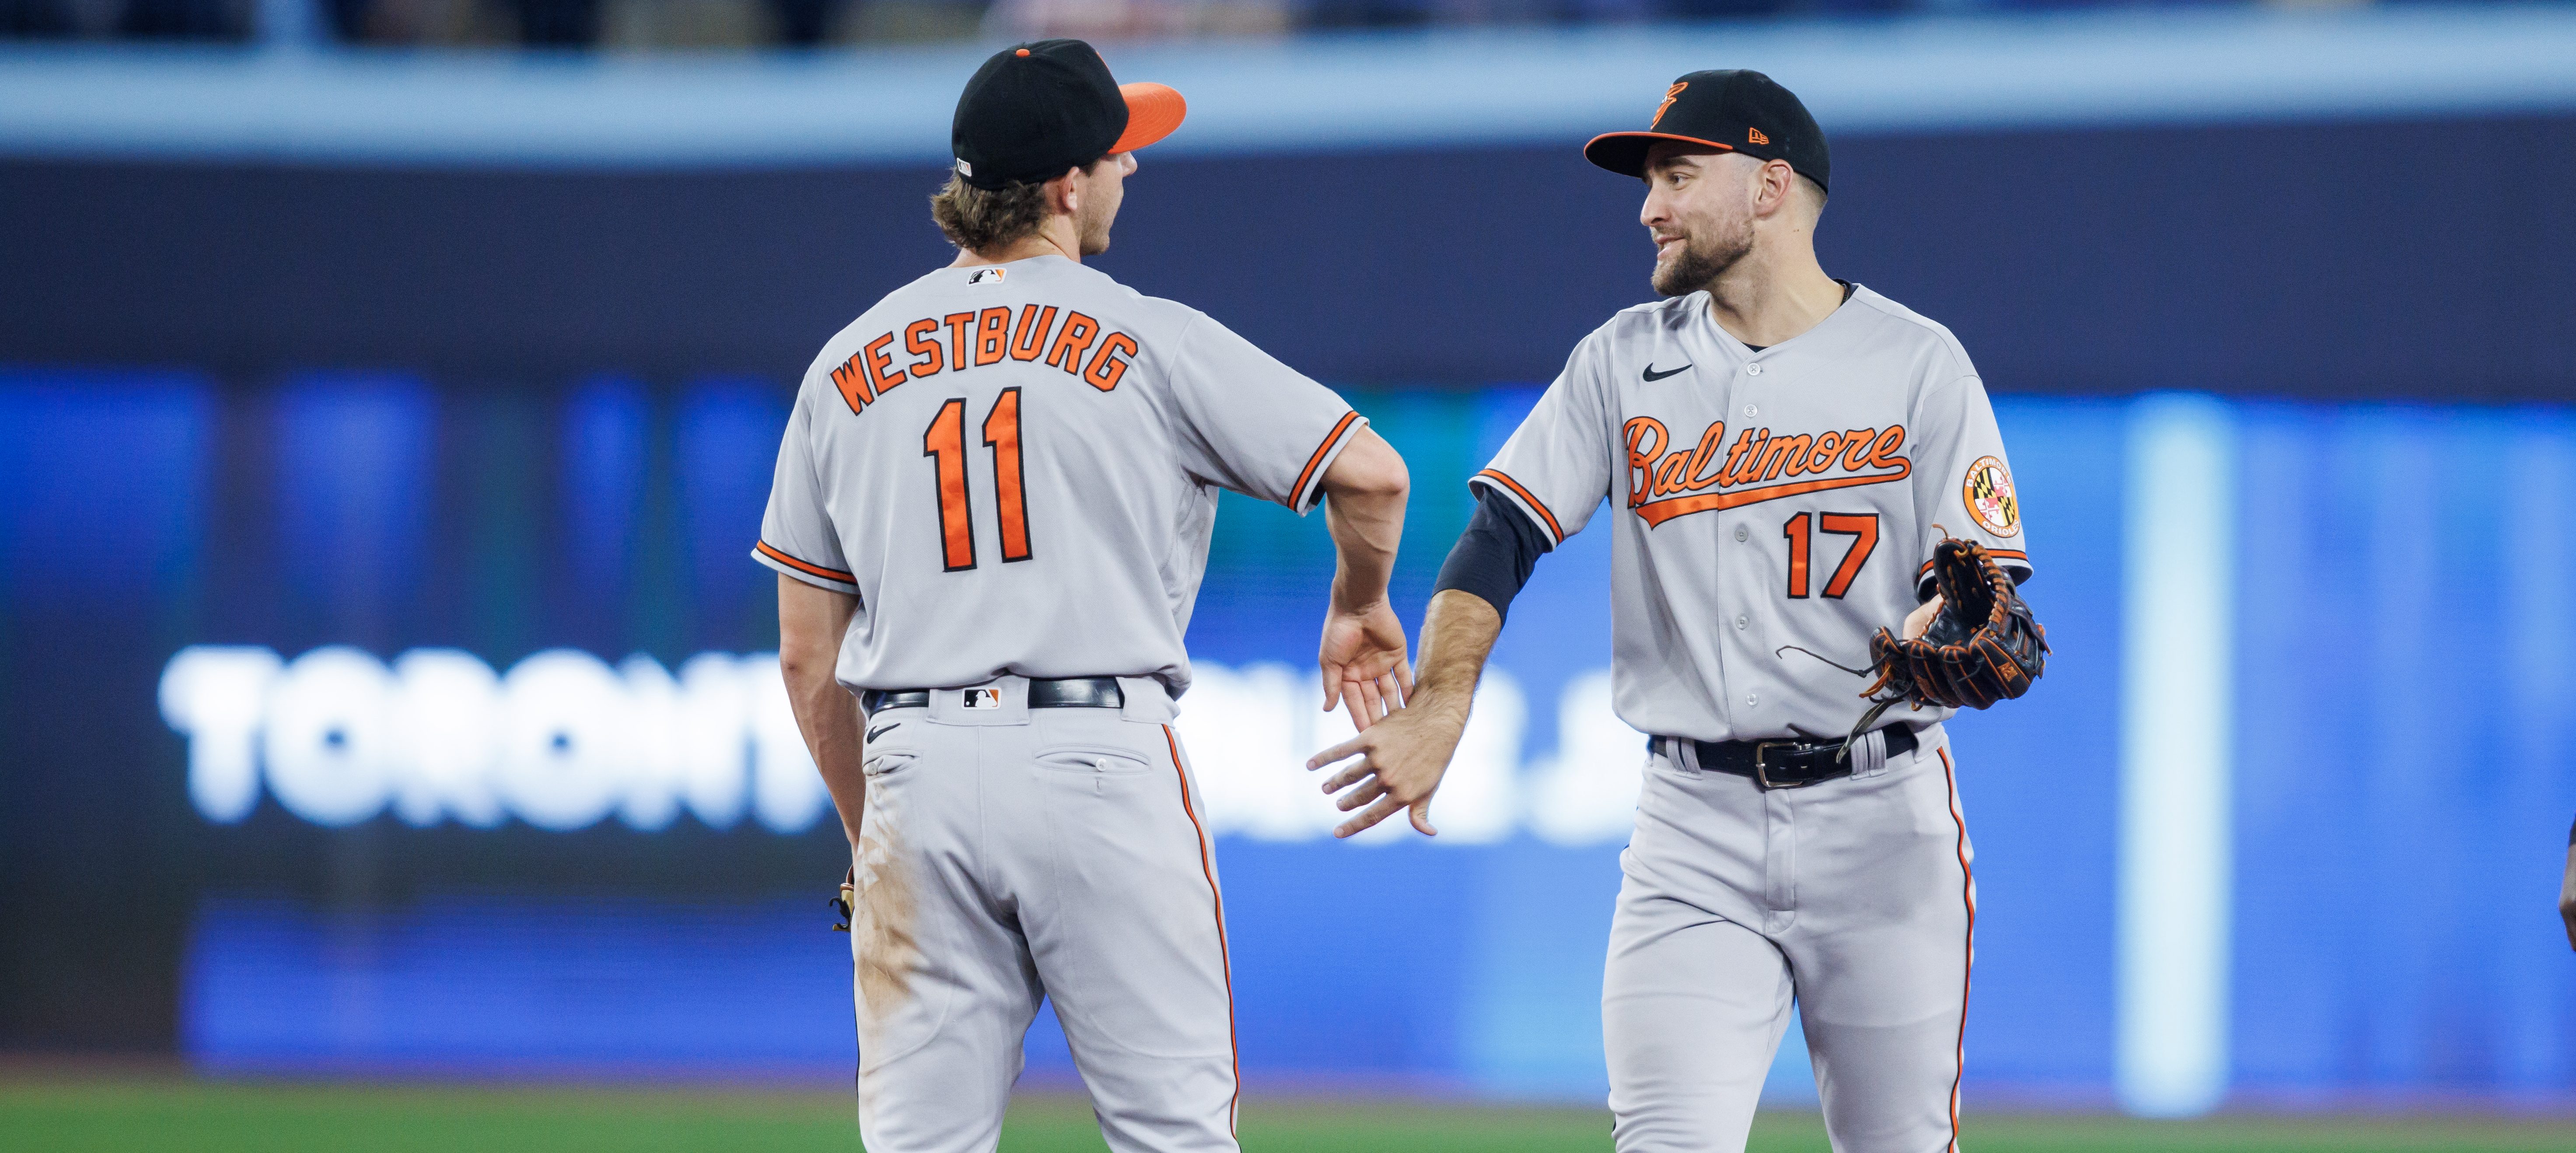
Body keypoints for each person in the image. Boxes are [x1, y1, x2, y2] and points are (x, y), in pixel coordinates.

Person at [1308, 70, 2031, 1151]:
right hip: (1692, 829)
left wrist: (1952, 620)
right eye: (1649, 178)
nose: (1650, 205)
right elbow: (1498, 533)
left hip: (1881, 821)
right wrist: (1444, 698)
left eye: (1679, 174)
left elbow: (1980, 582)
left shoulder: (1918, 362)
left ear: (1770, 186)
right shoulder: (1619, 358)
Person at [758, 39, 1413, 1153]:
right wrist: (1358, 601)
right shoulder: (1148, 334)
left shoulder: (843, 363)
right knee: (1172, 1137)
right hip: (1096, 755)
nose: (1132, 171)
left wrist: (874, 843)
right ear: (1065, 185)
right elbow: (1372, 474)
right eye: (1118, 153)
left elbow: (806, 660)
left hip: (912, 766)